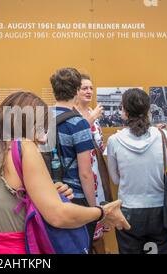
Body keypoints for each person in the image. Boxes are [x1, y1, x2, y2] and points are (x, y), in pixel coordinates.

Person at [0, 91, 130, 254]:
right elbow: (58, 216)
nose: (43, 138)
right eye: (40, 127)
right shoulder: (23, 146)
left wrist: (50, 193)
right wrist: (102, 212)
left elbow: (5, 203)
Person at [107, 88, 167, 254]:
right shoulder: (163, 135)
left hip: (128, 210)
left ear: (125, 110)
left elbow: (115, 179)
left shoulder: (114, 140)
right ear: (148, 109)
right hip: (159, 208)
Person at [49, 68, 102, 248]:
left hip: (46, 194)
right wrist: (94, 209)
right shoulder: (79, 123)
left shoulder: (40, 118)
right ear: (76, 90)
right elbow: (85, 173)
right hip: (74, 197)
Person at [73, 73, 107, 246]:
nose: (89, 91)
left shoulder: (90, 111)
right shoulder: (74, 114)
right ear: (76, 91)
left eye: (91, 88)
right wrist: (90, 120)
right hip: (81, 175)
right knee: (83, 229)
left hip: (96, 174)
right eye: (85, 88)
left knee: (97, 233)